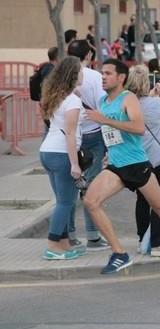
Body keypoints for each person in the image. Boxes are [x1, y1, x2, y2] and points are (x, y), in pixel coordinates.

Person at [81, 59, 160, 277]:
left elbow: (138, 128)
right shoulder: (103, 101)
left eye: (108, 73)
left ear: (121, 78)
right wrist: (107, 153)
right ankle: (119, 253)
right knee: (91, 201)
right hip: (116, 165)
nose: (103, 77)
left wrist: (105, 120)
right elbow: (111, 134)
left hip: (137, 165)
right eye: (102, 73)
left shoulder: (128, 99)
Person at [127, 65, 160, 257]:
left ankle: (143, 238)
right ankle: (157, 243)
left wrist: (152, 95)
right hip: (158, 159)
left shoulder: (128, 103)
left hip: (138, 159)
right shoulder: (155, 104)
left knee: (142, 200)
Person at [38, 56, 86, 260]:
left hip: (47, 151)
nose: (85, 73)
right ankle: (52, 245)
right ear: (74, 75)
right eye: (82, 70)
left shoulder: (57, 96)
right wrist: (75, 164)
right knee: (66, 202)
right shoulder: (73, 100)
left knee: (63, 201)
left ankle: (64, 243)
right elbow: (70, 134)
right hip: (62, 154)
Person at [66, 40, 108, 251]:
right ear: (89, 55)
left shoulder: (60, 76)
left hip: (67, 136)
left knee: (68, 188)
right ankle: (92, 236)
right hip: (93, 134)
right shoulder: (95, 77)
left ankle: (69, 234)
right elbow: (102, 106)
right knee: (91, 187)